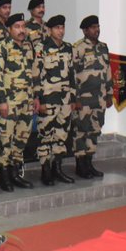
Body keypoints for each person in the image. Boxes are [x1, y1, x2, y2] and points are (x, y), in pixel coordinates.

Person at [0, 12, 41, 191]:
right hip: (10, 103)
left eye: (23, 26)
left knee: (21, 139)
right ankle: (4, 177)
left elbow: (34, 73)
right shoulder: (1, 48)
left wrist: (36, 96)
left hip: (26, 102)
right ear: (8, 29)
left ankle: (15, 174)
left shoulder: (28, 47)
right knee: (6, 139)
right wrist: (2, 101)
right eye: (17, 27)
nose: (21, 30)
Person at [71, 15, 112, 179]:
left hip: (99, 97)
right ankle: (80, 165)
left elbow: (108, 71)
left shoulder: (103, 47)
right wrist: (75, 98)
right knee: (81, 131)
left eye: (98, 26)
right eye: (93, 27)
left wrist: (109, 94)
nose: (97, 30)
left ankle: (89, 163)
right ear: (85, 30)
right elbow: (72, 74)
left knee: (95, 130)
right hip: (83, 99)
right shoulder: (78, 48)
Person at [37, 15, 76, 186]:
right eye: (57, 28)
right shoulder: (41, 47)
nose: (61, 31)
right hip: (48, 99)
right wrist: (40, 100)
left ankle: (57, 168)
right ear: (49, 30)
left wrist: (73, 98)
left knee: (61, 134)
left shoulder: (68, 48)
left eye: (62, 27)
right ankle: (45, 170)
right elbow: (36, 75)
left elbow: (72, 74)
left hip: (65, 99)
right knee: (46, 135)